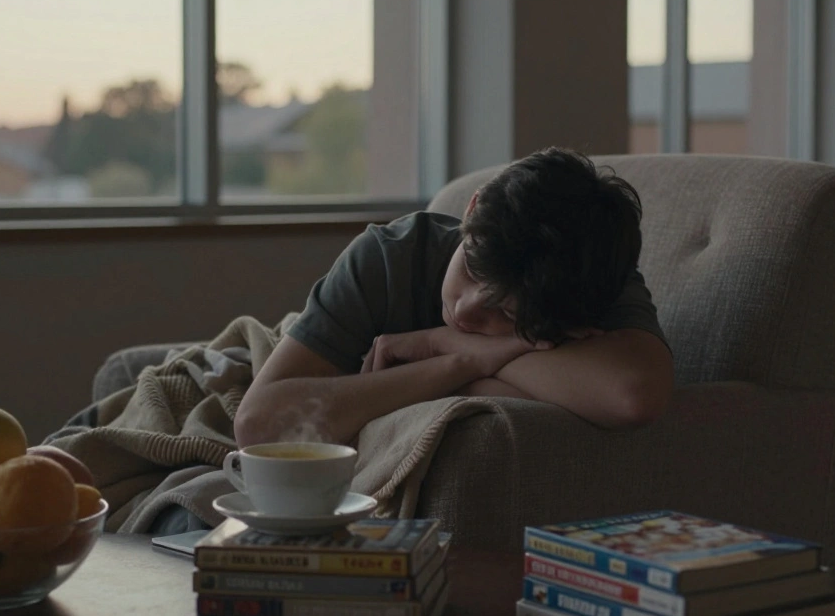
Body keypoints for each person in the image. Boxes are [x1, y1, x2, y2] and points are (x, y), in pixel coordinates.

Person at [234, 147, 674, 448]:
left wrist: (444, 346)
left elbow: (632, 397)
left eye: (506, 313)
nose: (465, 309)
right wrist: (460, 364)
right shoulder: (390, 257)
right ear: (472, 208)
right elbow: (257, 425)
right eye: (470, 269)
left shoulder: (584, 273)